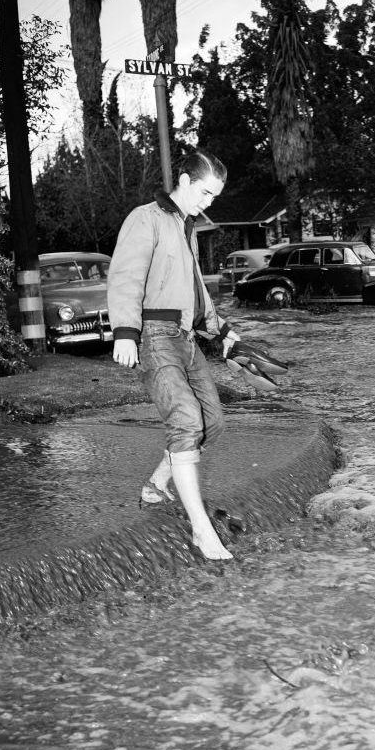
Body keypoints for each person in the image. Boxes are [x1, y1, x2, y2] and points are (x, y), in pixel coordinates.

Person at [108, 150, 240, 561]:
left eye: (214, 197)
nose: (208, 202)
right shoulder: (145, 218)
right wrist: (125, 332)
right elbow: (126, 275)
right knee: (186, 420)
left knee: (212, 423)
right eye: (205, 193)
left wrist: (221, 330)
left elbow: (195, 288)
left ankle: (156, 484)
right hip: (154, 335)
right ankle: (201, 530)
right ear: (184, 180)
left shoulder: (187, 227)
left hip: (185, 337)